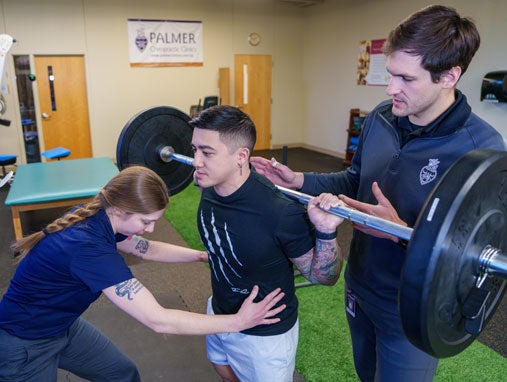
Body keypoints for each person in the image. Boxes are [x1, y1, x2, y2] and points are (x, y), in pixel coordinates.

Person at [250, 5, 506, 382]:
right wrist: (299, 180)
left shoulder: (481, 150)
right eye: (390, 74)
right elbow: (355, 180)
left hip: (413, 305)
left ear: (449, 75)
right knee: (365, 374)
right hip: (360, 283)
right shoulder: (381, 117)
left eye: (406, 78)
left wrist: (402, 234)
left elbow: (479, 254)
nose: (390, 89)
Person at [0, 166, 287, 382]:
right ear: (120, 209)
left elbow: (145, 248)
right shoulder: (87, 248)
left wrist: (200, 255)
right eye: (146, 221)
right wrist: (238, 322)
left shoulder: (100, 216)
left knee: (122, 374)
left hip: (63, 326)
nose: (149, 228)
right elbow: (158, 319)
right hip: (24, 343)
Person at [189, 105, 345, 382]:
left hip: (264, 333)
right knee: (224, 371)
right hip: (219, 311)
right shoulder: (208, 185)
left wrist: (325, 232)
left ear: (241, 156)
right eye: (194, 150)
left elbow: (325, 276)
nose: (196, 162)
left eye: (207, 152)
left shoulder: (280, 211)